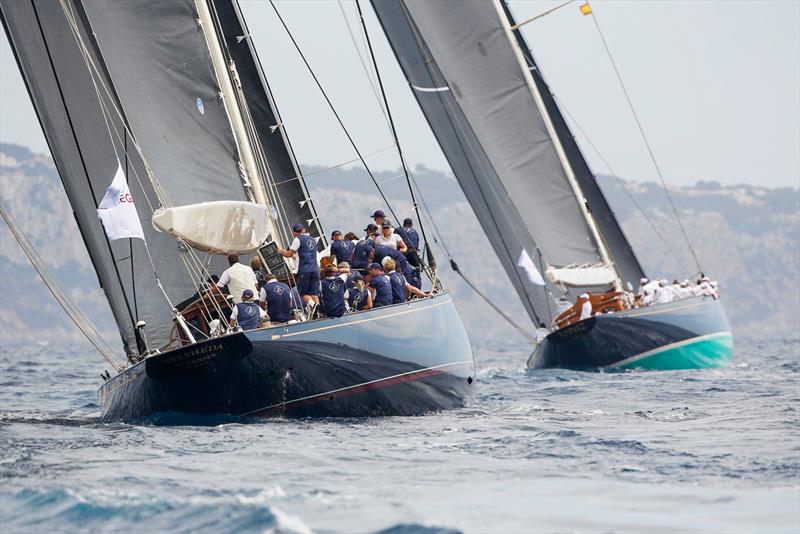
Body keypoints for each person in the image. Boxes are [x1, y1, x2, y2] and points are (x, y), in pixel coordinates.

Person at [278, 223, 319, 310]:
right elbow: (305, 253)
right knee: (314, 294)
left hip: (304, 270)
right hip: (315, 270)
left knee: (303, 293)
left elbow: (288, 254)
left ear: (295, 233)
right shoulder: (313, 240)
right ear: (303, 229)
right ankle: (318, 310)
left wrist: (281, 251)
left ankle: (314, 305)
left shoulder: (298, 239)